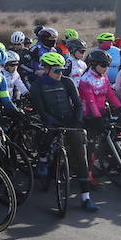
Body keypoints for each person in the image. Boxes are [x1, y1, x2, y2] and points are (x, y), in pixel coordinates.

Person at [28, 52, 94, 212]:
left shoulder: (67, 82)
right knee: (47, 136)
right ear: (47, 69)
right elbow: (41, 110)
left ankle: (86, 197)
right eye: (57, 71)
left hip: (70, 120)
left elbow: (77, 104)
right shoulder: (37, 86)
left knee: (81, 156)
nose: (60, 74)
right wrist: (51, 122)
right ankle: (43, 158)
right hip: (51, 120)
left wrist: (77, 121)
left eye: (62, 70)